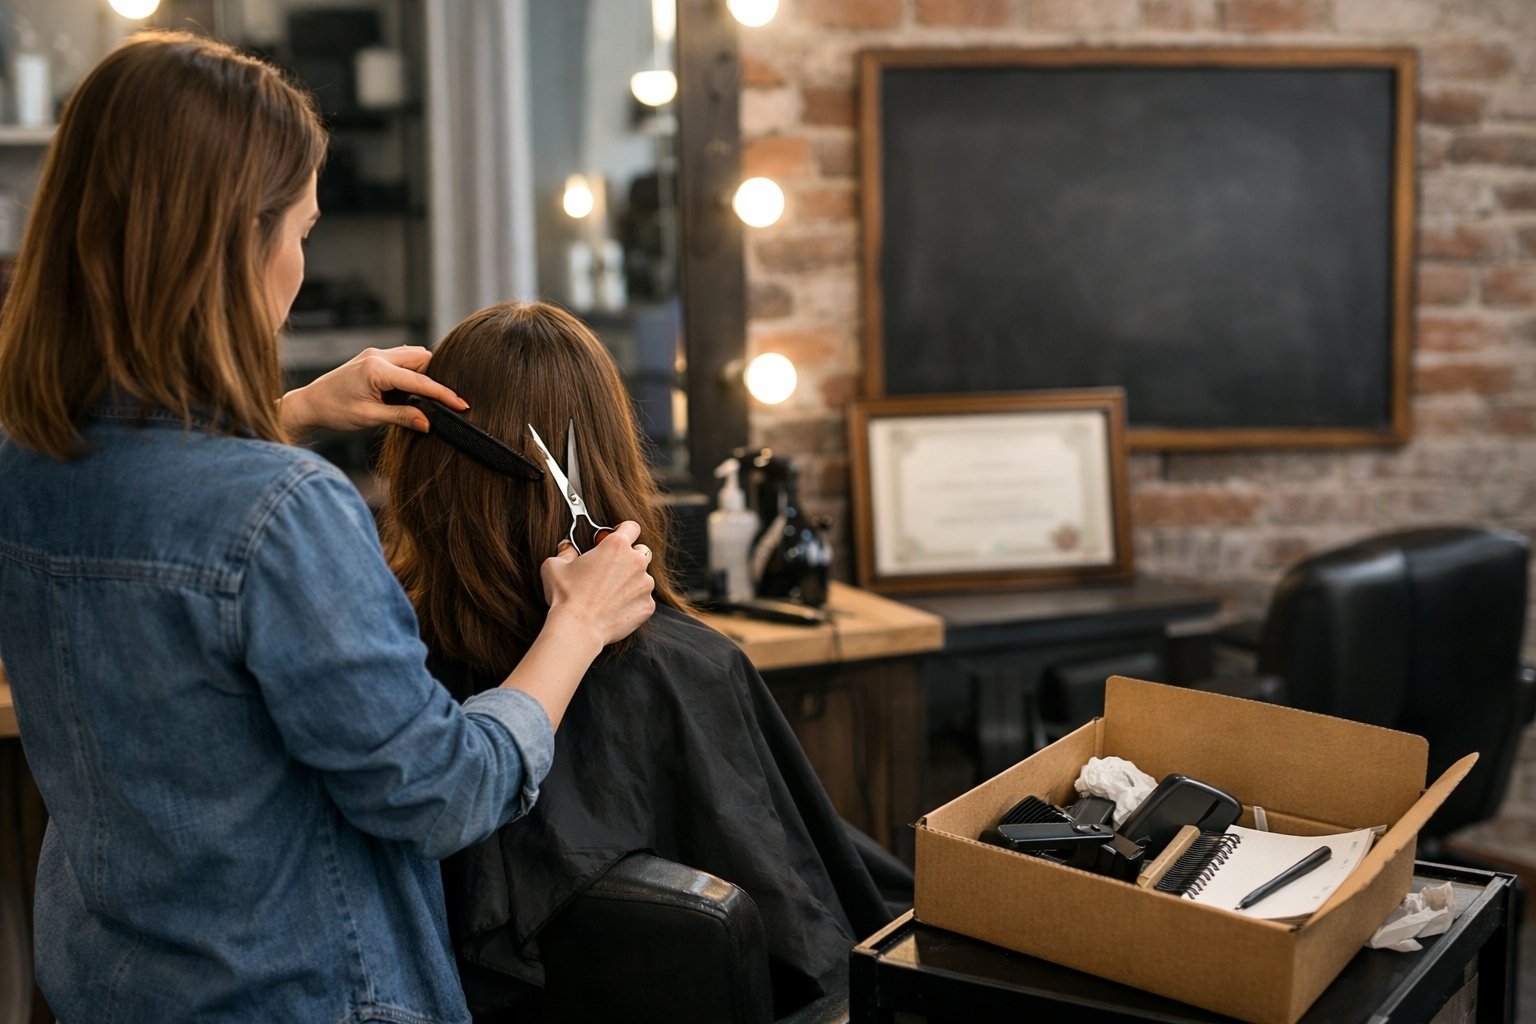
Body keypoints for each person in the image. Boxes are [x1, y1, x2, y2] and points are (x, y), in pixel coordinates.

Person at [0, 32, 654, 1024]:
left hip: (108, 984)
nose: (301, 267)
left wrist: (291, 405)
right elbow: (441, 792)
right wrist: (576, 626)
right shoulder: (282, 513)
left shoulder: (25, 468)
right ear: (227, 251)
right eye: (299, 230)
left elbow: (156, 503)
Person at [378, 301, 907, 1020]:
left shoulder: (379, 656)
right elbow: (804, 929)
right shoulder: (691, 667)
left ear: (421, 461)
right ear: (606, 456)